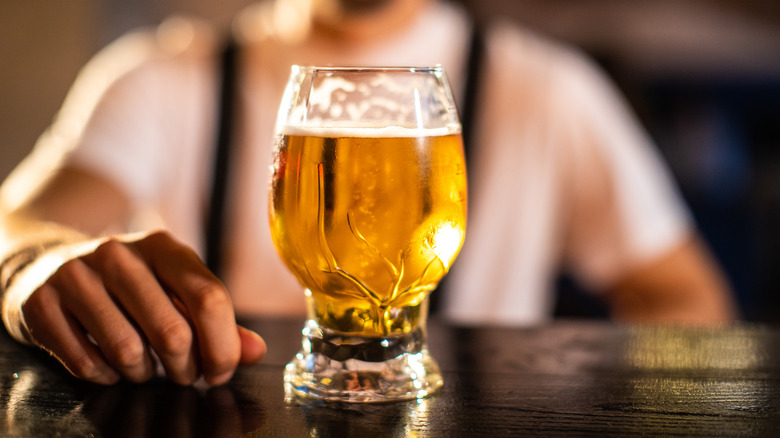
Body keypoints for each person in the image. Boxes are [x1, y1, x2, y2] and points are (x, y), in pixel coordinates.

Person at [0, 0, 737, 386]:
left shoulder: (549, 88)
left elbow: (689, 302)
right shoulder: (160, 75)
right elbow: (23, 220)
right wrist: (30, 261)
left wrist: (559, 391)